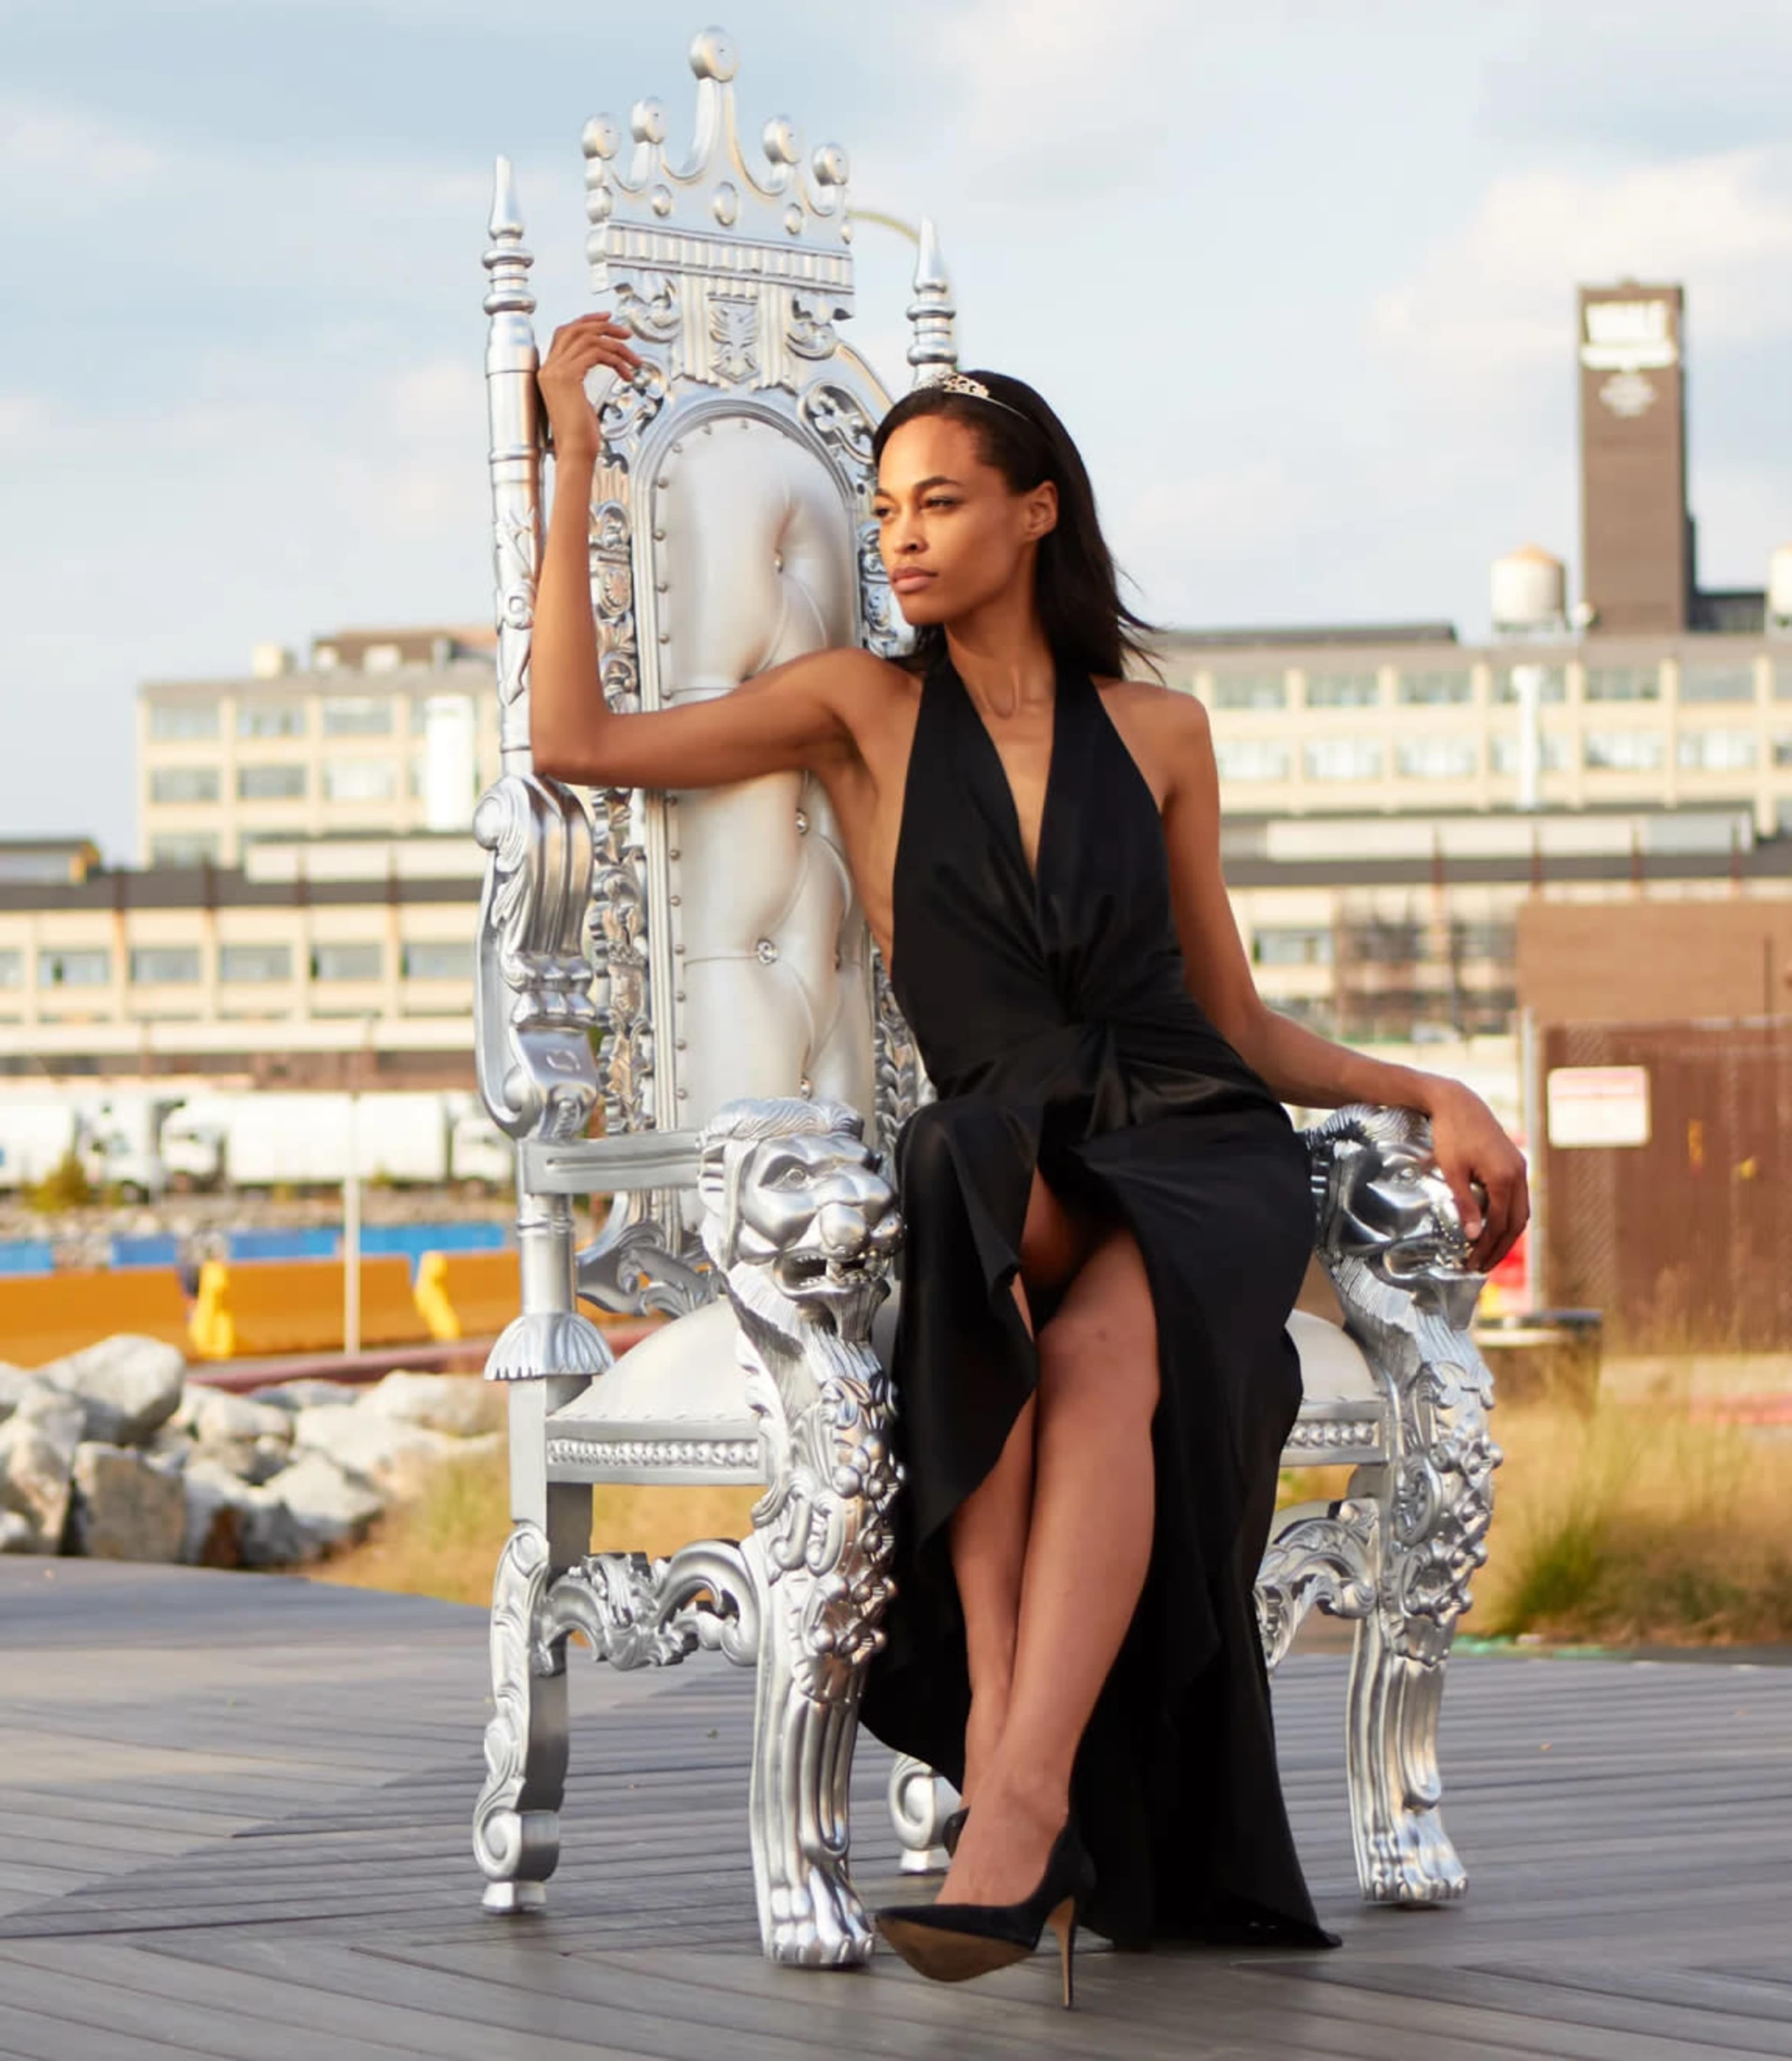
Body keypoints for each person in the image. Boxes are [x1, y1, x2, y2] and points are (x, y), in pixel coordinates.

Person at [528, 315, 1529, 2003]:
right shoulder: (859, 711)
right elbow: (581, 743)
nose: (900, 536)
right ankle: (1011, 1752)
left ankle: (1019, 1803)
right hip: (1019, 1137)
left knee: (1096, 1351)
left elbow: (1238, 1019)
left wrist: (1430, 1086)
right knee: (960, 1177)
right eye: (886, 507)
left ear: (1037, 513)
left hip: (1200, 1146)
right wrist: (568, 467)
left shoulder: (1163, 732)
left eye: (938, 502)